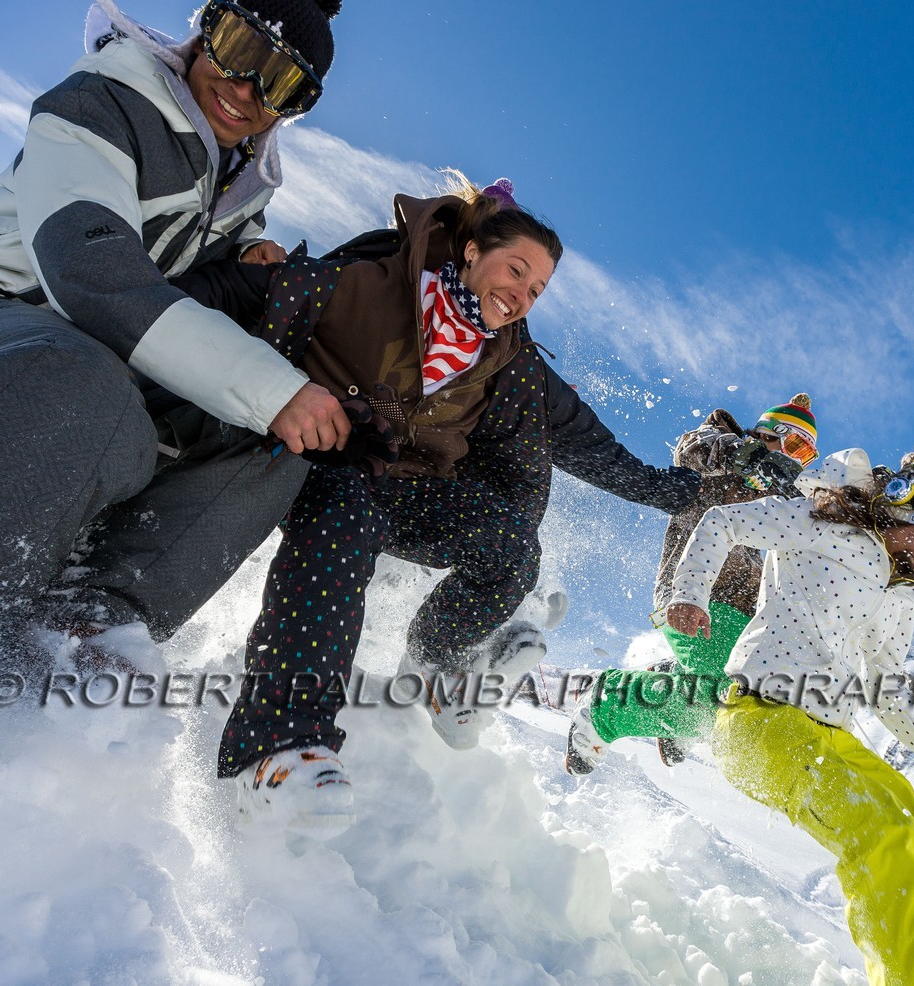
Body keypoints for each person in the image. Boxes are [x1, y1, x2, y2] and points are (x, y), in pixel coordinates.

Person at [0, 0, 351, 674]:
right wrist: (269, 386)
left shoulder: (242, 183)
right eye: (241, 47)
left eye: (281, 82)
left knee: (280, 442)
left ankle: (90, 624)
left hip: (102, 366)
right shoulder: (101, 104)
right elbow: (89, 275)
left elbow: (196, 238)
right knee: (105, 395)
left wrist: (254, 253)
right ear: (206, 30)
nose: (247, 88)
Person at [216, 176, 702, 833]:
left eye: (537, 289)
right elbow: (265, 300)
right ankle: (276, 747)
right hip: (322, 457)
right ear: (471, 250)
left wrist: (687, 491)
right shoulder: (383, 279)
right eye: (516, 271)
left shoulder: (511, 358)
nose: (523, 295)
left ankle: (434, 660)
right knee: (344, 520)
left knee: (511, 548)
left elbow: (593, 447)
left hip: (410, 486)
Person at [664, 431, 914, 985]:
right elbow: (723, 522)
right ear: (909, 501)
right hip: (763, 721)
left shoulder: (897, 598)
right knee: (889, 846)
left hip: (836, 740)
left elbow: (891, 701)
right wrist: (689, 591)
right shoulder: (821, 524)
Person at [565, 395, 819, 774]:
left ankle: (673, 682)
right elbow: (692, 449)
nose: (797, 461)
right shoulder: (719, 445)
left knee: (749, 698)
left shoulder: (776, 498)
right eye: (796, 446)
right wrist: (747, 455)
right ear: (770, 433)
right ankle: (607, 705)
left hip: (744, 611)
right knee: (719, 700)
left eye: (808, 456)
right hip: (694, 591)